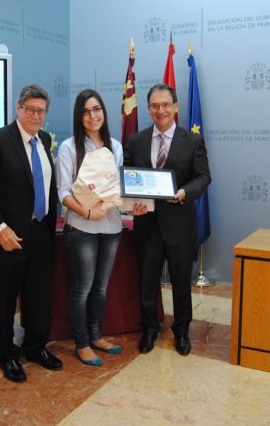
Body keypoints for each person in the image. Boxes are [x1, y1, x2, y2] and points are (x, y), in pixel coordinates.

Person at [0, 84, 62, 383]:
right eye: (30, 109)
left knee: (38, 297)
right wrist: (0, 228)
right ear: (18, 108)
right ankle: (7, 355)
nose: (36, 116)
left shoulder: (44, 139)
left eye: (41, 111)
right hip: (7, 238)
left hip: (41, 233)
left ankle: (35, 347)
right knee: (6, 301)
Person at [124, 83, 211, 356]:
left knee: (181, 282)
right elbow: (127, 177)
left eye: (165, 105)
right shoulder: (136, 141)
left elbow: (203, 177)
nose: (160, 110)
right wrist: (130, 206)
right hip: (147, 225)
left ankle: (182, 331)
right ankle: (150, 328)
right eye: (154, 106)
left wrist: (185, 192)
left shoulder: (192, 140)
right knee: (147, 281)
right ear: (148, 108)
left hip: (180, 225)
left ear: (176, 107)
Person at [56, 89, 124, 366]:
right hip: (81, 227)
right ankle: (82, 343)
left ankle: (96, 335)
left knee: (101, 287)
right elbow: (62, 191)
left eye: (96, 109)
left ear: (103, 112)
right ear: (78, 116)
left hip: (112, 226)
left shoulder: (115, 147)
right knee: (82, 288)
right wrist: (87, 212)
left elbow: (118, 189)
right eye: (85, 111)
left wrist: (134, 205)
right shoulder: (69, 147)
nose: (92, 115)